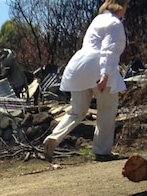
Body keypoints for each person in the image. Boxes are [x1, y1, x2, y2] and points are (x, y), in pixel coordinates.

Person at [44, 1, 128, 163]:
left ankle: (54, 137)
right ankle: (101, 151)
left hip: (79, 66)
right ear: (121, 6)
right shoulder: (114, 23)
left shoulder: (97, 20)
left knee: (76, 111)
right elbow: (108, 49)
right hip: (98, 67)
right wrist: (104, 75)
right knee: (106, 111)